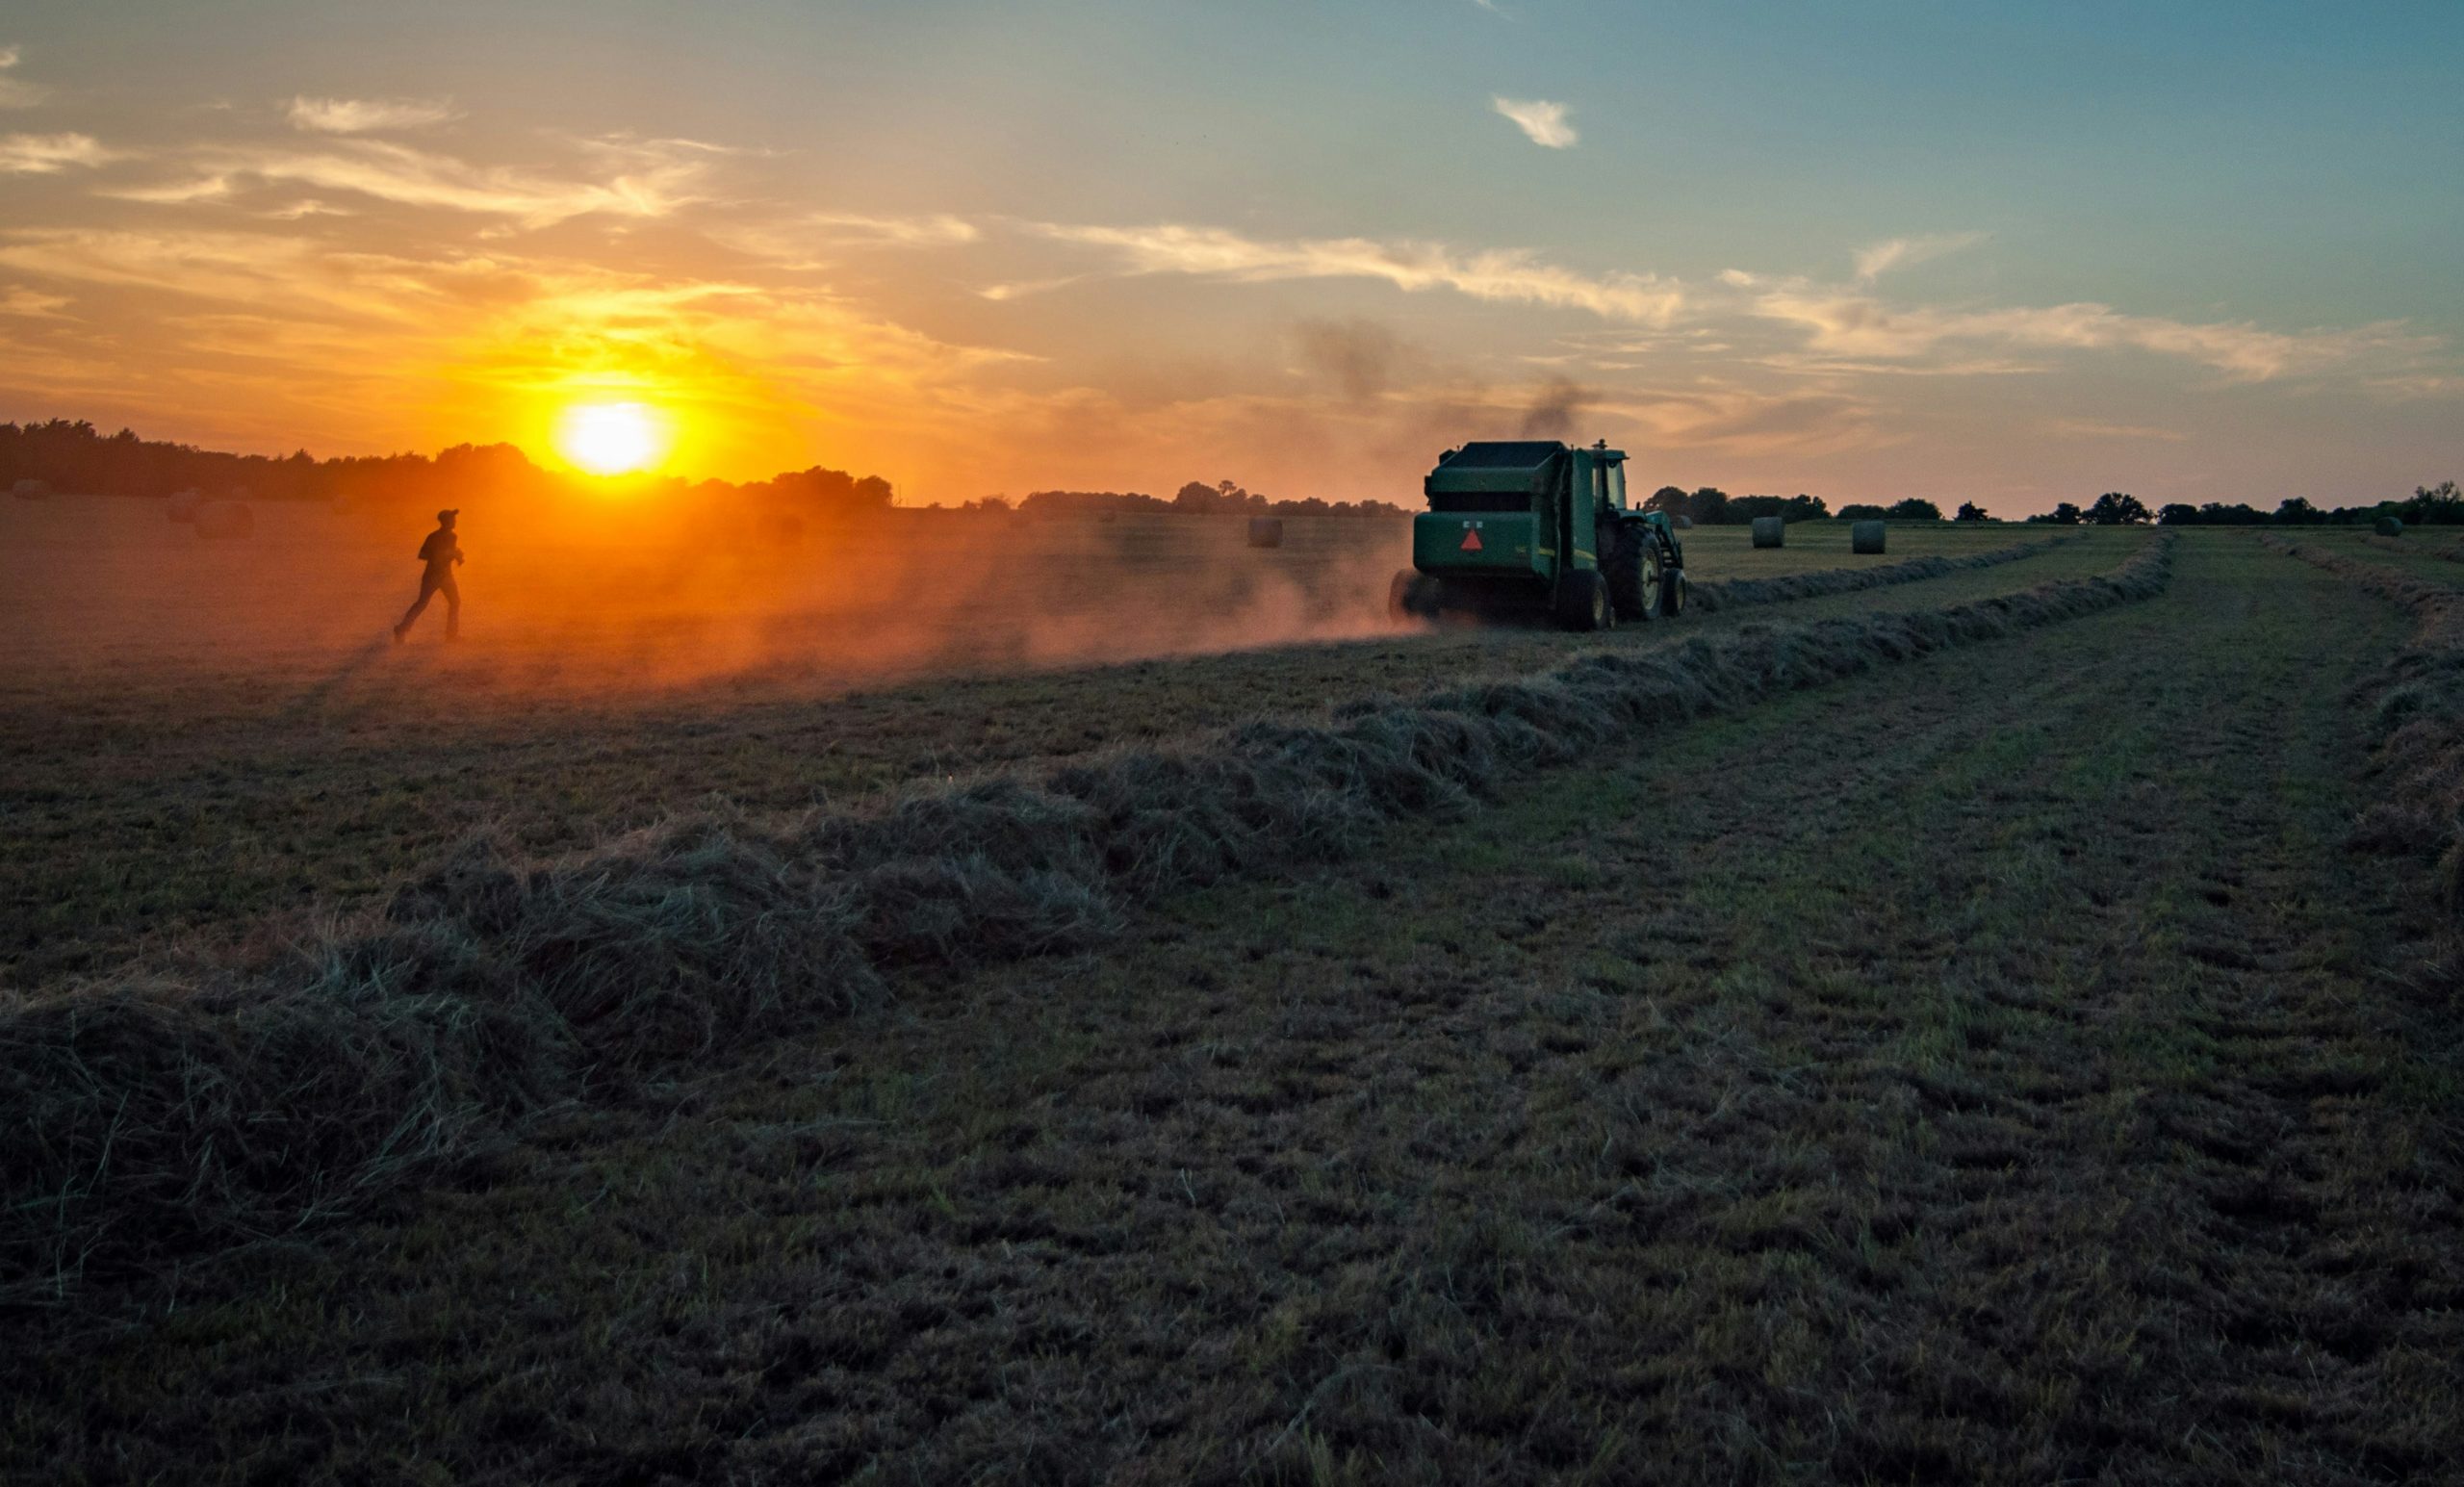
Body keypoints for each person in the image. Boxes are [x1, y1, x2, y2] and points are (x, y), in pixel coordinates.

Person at [395, 508, 463, 642]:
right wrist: (444, 555)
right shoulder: (433, 537)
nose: (455, 521)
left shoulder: (453, 536)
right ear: (446, 521)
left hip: (446, 575)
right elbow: (422, 554)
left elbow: (450, 552)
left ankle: (451, 635)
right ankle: (401, 629)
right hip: (433, 575)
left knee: (455, 602)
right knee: (422, 603)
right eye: (452, 519)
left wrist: (456, 555)